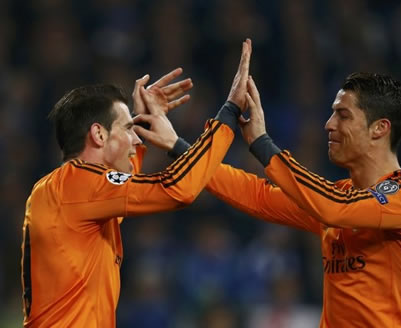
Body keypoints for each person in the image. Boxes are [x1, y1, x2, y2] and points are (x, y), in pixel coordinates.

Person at [167, 72, 401, 327]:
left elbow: (335, 209)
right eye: (332, 114)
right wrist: (178, 146)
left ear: (379, 128)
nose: (329, 124)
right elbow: (259, 196)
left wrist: (263, 145)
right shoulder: (339, 196)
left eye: (343, 115)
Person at [20, 39, 252, 327]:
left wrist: (140, 120)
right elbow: (177, 189)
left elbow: (128, 184)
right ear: (99, 135)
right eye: (128, 129)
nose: (137, 139)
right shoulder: (75, 185)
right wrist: (228, 113)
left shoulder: (78, 192)